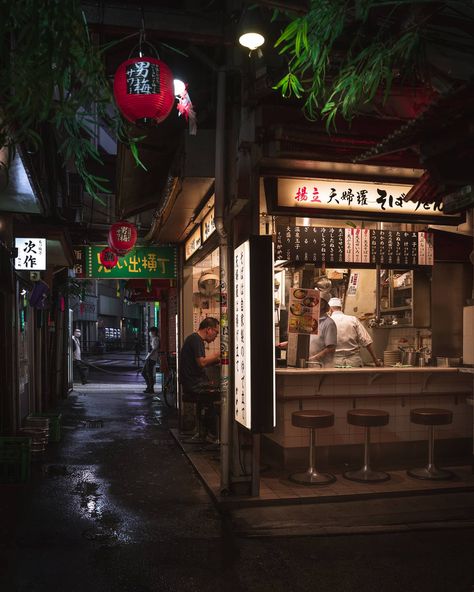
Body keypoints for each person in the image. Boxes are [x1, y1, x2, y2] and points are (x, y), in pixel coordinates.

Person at [179, 317, 220, 438]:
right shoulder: (196, 340)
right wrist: (217, 356)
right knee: (220, 395)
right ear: (208, 330)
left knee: (213, 394)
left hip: (189, 383)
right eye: (216, 332)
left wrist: (213, 360)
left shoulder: (193, 339)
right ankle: (214, 434)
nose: (216, 337)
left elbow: (199, 362)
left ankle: (204, 432)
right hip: (194, 385)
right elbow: (201, 362)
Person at [328, 297, 383, 367]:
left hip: (335, 362)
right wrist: (376, 360)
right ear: (340, 308)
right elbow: (366, 341)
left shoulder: (328, 321)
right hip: (354, 362)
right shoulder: (353, 319)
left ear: (330, 309)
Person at [308, 296, 337, 367]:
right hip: (310, 364)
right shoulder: (310, 321)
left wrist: (313, 359)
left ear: (323, 304)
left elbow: (331, 348)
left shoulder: (329, 323)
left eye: (315, 301)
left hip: (322, 366)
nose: (312, 304)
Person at [141, 327, 160, 394]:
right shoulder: (154, 339)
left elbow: (154, 349)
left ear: (154, 332)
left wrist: (149, 356)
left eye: (151, 331)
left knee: (147, 373)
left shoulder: (156, 339)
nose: (150, 333)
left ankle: (150, 388)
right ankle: (149, 387)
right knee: (146, 373)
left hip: (151, 358)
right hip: (150, 358)